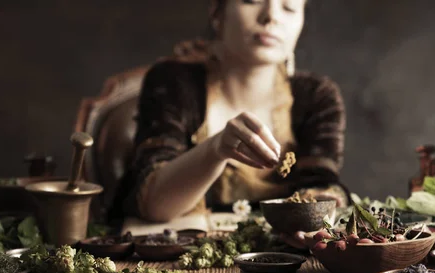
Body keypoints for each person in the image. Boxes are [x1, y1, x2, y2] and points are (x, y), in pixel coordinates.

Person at [112, 0, 349, 245]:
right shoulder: (172, 82)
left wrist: (319, 210)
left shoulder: (317, 95)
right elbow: (154, 205)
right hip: (178, 259)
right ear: (217, 12)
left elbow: (322, 182)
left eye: (288, 8)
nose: (271, 17)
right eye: (252, 1)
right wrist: (216, 150)